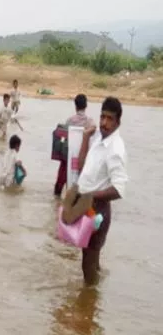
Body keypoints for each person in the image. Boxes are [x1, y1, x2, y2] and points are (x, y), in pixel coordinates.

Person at [74, 97, 128, 286]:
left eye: (109, 119)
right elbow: (81, 167)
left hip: (99, 210)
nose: (104, 123)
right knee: (90, 256)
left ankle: (88, 305)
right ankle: (92, 302)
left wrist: (91, 195)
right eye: (102, 117)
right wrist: (85, 138)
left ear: (117, 122)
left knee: (87, 261)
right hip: (87, 206)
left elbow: (119, 189)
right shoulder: (97, 138)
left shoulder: (116, 149)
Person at [55, 94, 96, 197]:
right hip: (84, 157)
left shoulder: (70, 121)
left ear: (75, 106)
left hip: (70, 156)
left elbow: (63, 138)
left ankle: (57, 199)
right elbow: (94, 129)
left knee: (59, 184)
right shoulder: (89, 121)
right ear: (86, 106)